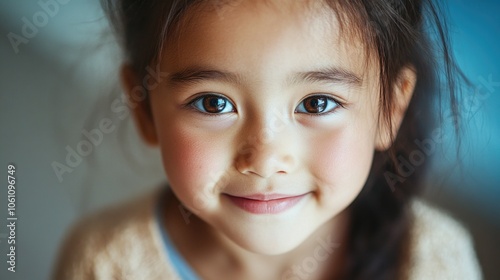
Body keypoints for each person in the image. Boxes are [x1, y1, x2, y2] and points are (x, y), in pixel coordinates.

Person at [53, 0, 483, 279]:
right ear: (144, 107)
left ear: (390, 108)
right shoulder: (103, 262)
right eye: (213, 104)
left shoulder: (434, 261)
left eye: (316, 104)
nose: (265, 159)